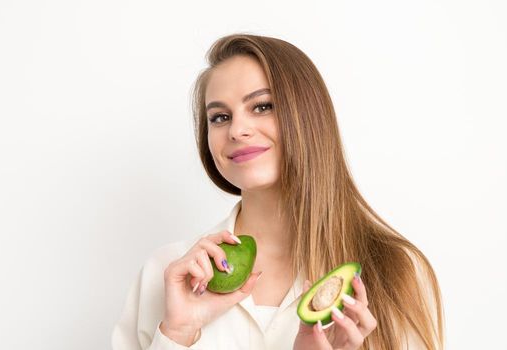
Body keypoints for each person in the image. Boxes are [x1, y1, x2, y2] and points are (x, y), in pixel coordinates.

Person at [111, 33, 443, 350]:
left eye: (262, 106)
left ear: (308, 117)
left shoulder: (397, 271)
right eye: (220, 117)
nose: (237, 130)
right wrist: (177, 335)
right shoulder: (167, 273)